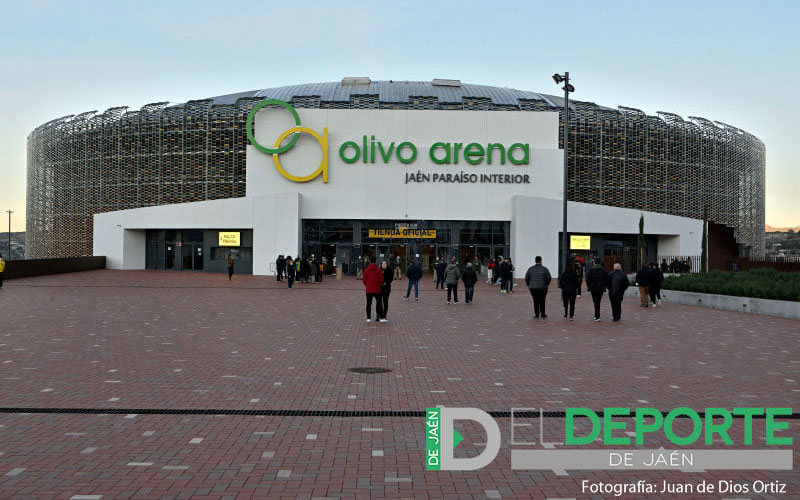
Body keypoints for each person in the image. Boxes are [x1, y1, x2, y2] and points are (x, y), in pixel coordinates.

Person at [362, 257, 384, 323]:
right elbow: (381, 280)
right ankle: (381, 317)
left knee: (368, 304)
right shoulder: (378, 269)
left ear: (369, 261)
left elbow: (364, 280)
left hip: (369, 289)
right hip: (377, 289)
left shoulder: (366, 270)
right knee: (379, 303)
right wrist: (378, 284)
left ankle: (368, 318)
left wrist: (368, 285)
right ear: (375, 261)